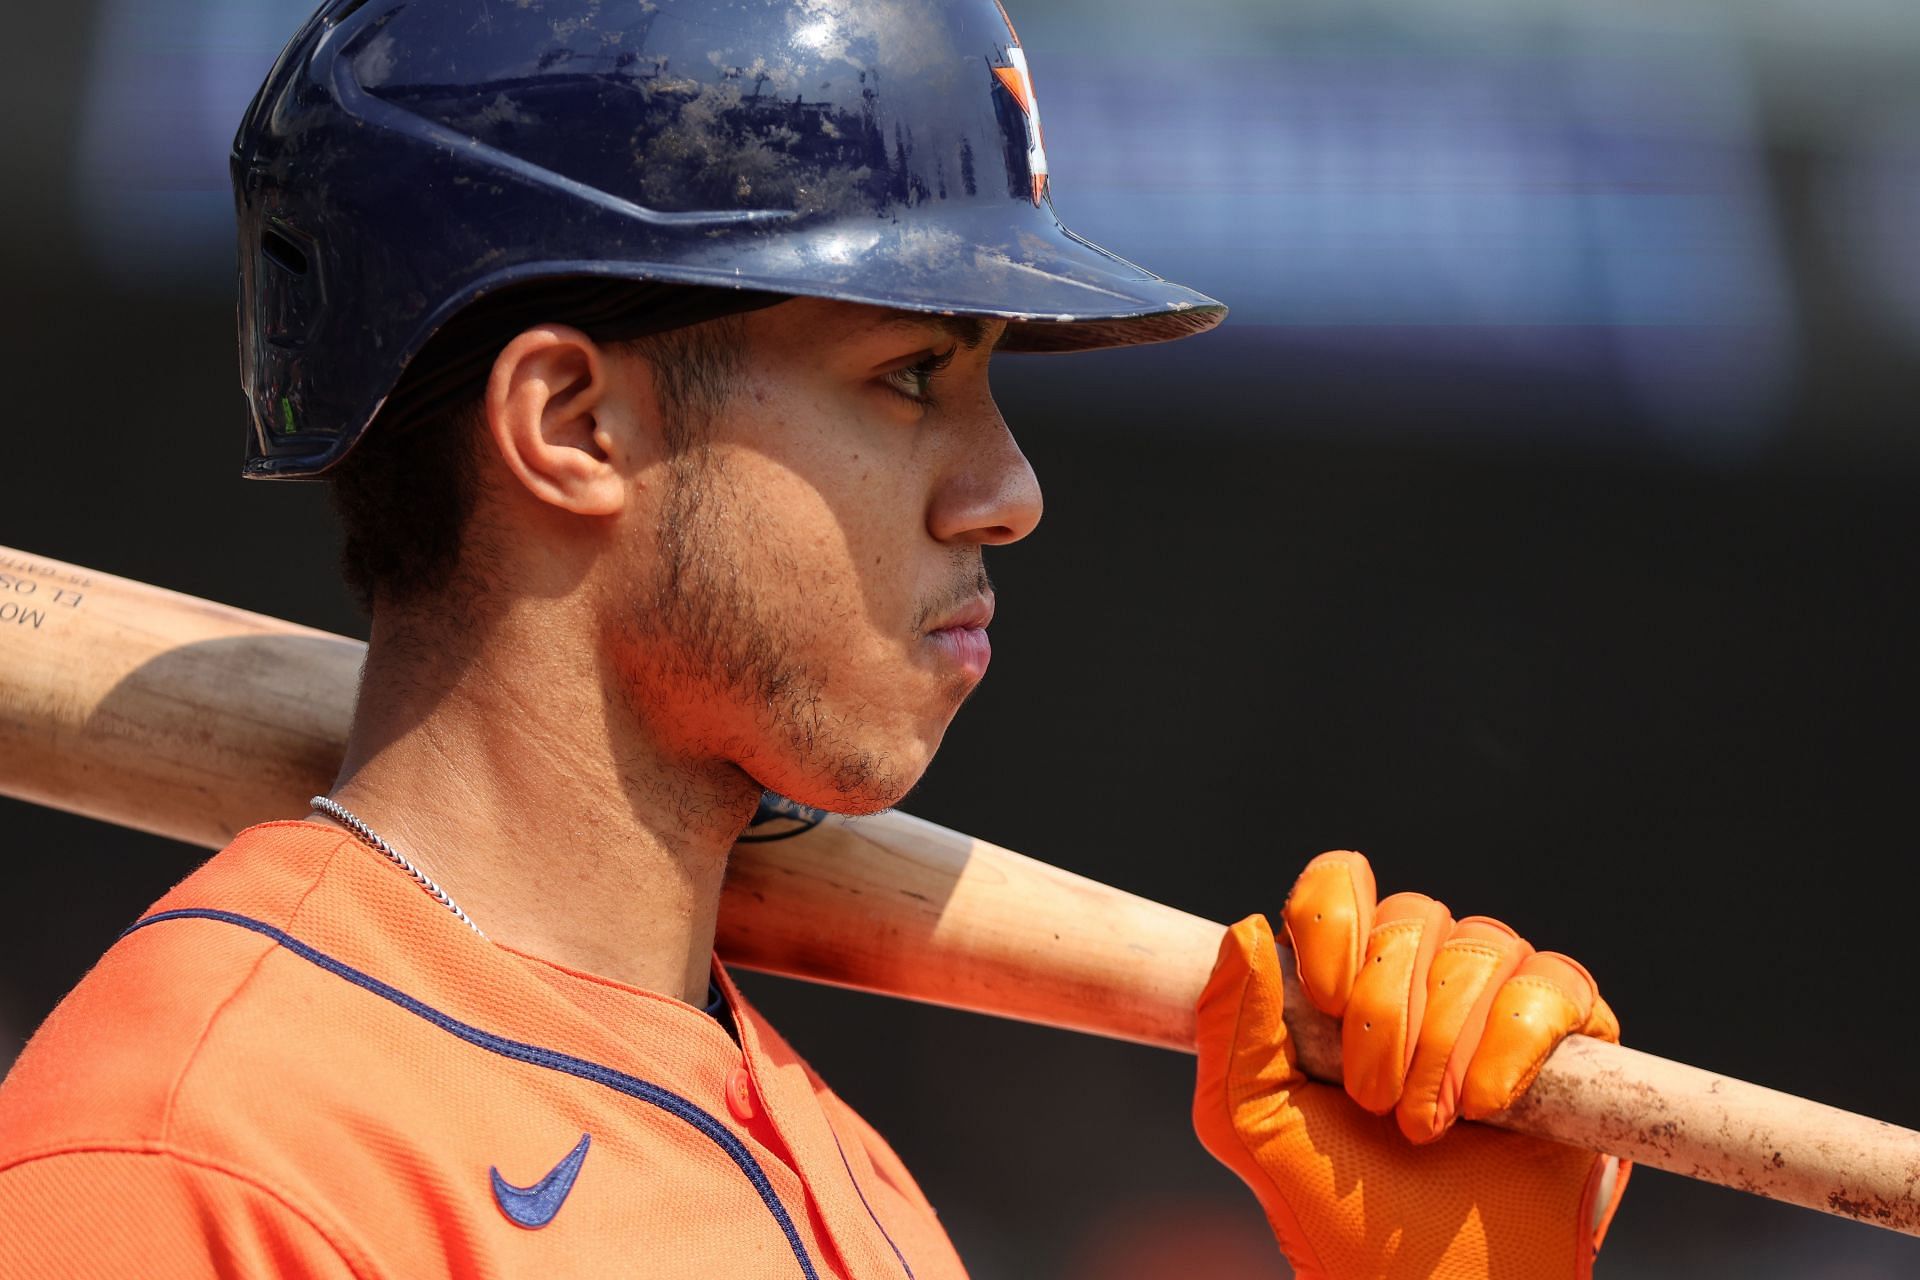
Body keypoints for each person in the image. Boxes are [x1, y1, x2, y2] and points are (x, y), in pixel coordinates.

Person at [0, 0, 1626, 1275]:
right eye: (910, 374)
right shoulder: (195, 1162)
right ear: (574, 422)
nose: (1010, 491)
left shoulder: (832, 1161)